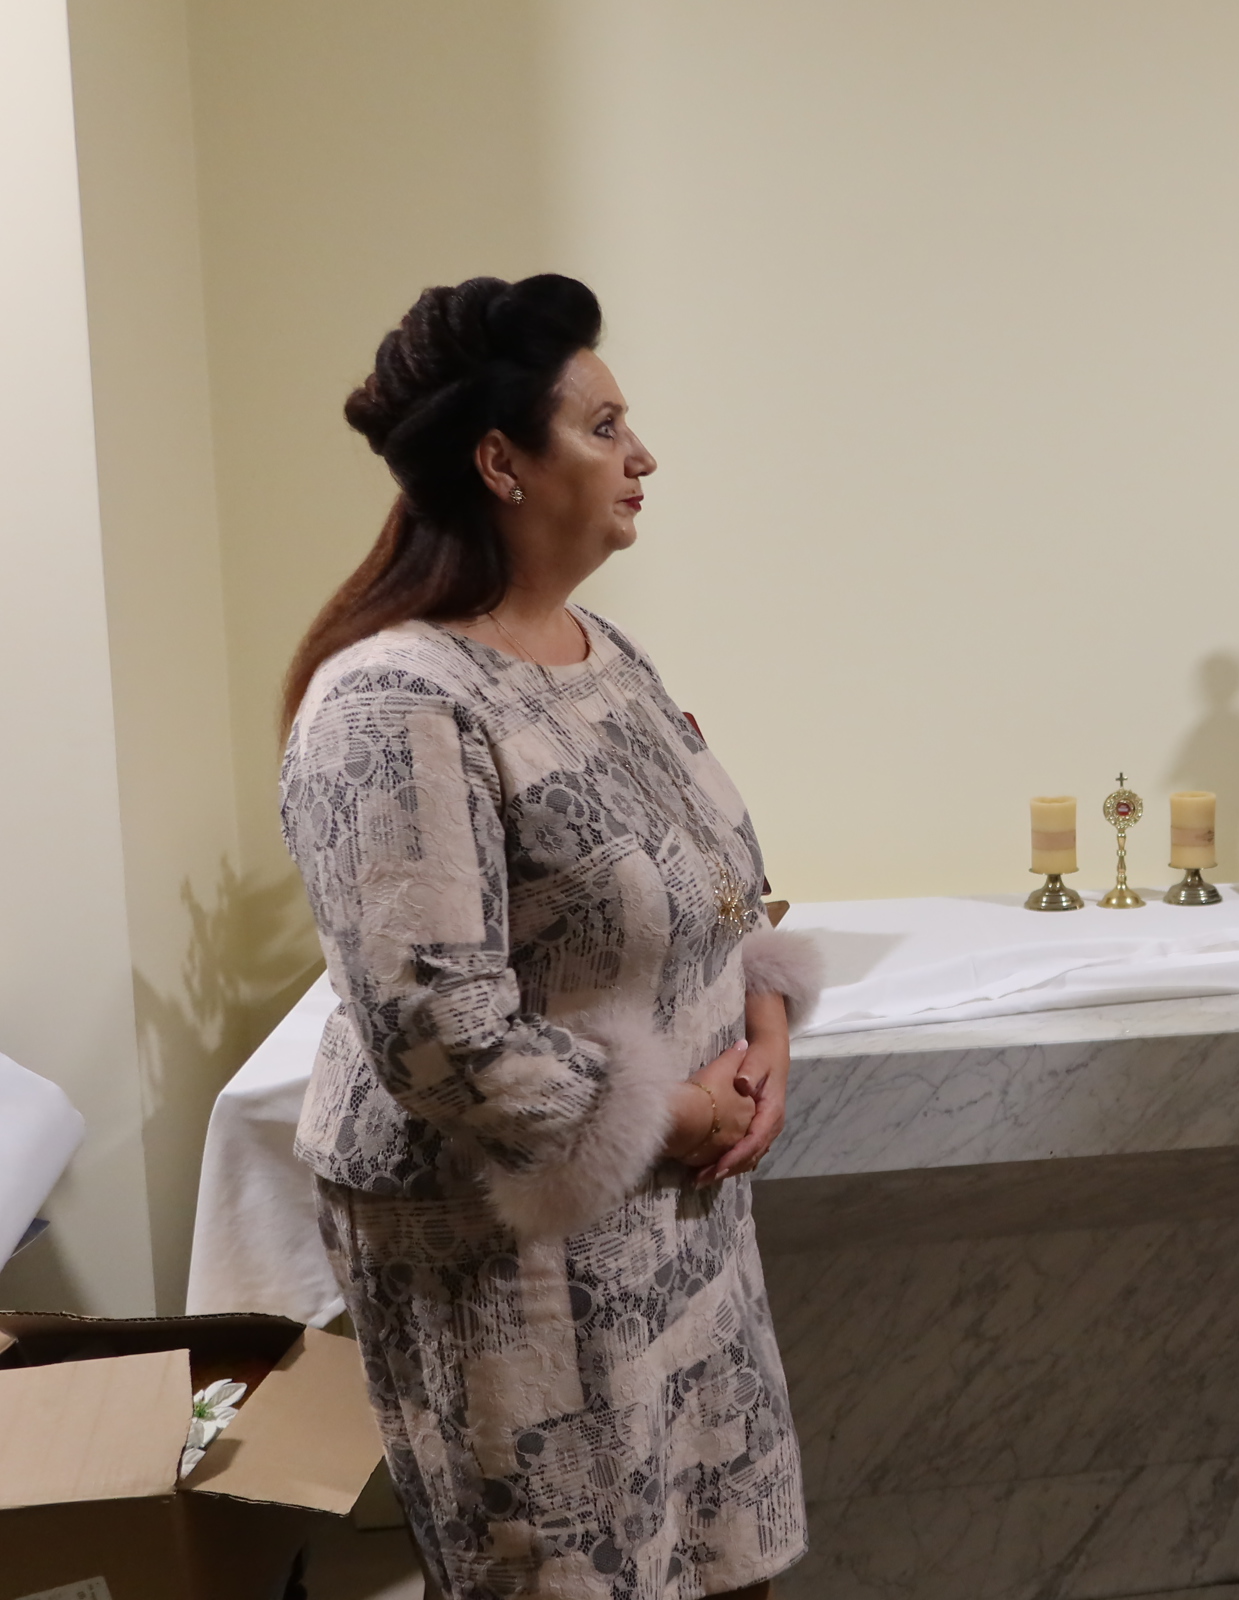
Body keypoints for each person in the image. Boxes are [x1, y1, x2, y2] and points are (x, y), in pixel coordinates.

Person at [280, 274, 818, 1599]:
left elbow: (716, 887)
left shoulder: (603, 654)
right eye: (605, 428)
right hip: (510, 1261)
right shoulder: (394, 700)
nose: (643, 458)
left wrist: (763, 1031)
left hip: (680, 1229)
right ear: (501, 463)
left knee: (724, 1567)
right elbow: (440, 1037)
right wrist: (675, 1113)